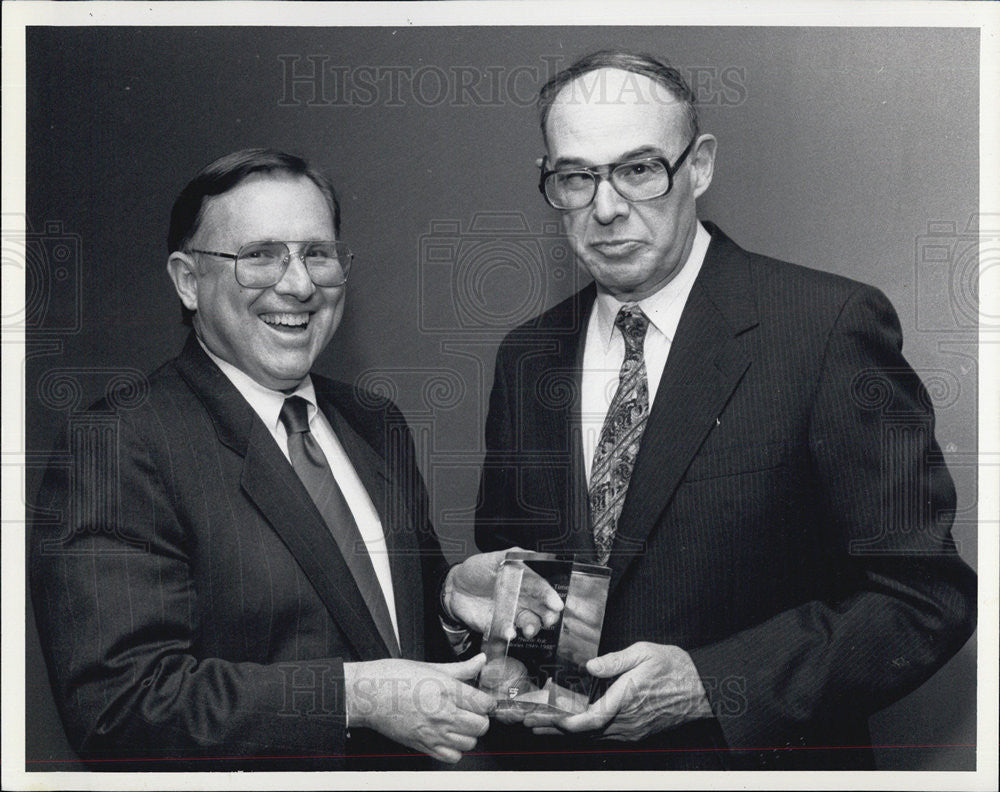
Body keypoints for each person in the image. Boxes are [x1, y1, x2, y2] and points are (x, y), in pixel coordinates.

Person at [471, 51, 977, 770]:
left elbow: (925, 599)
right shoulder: (528, 356)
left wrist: (713, 685)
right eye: (577, 176)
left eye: (640, 169)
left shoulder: (826, 327)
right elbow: (522, 593)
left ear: (699, 165)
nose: (606, 207)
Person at [29, 148, 504, 771]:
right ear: (187, 280)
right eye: (259, 256)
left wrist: (446, 604)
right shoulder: (119, 443)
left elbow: (384, 640)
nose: (300, 284)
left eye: (317, 253)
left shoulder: (374, 423)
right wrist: (348, 697)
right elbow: (117, 708)